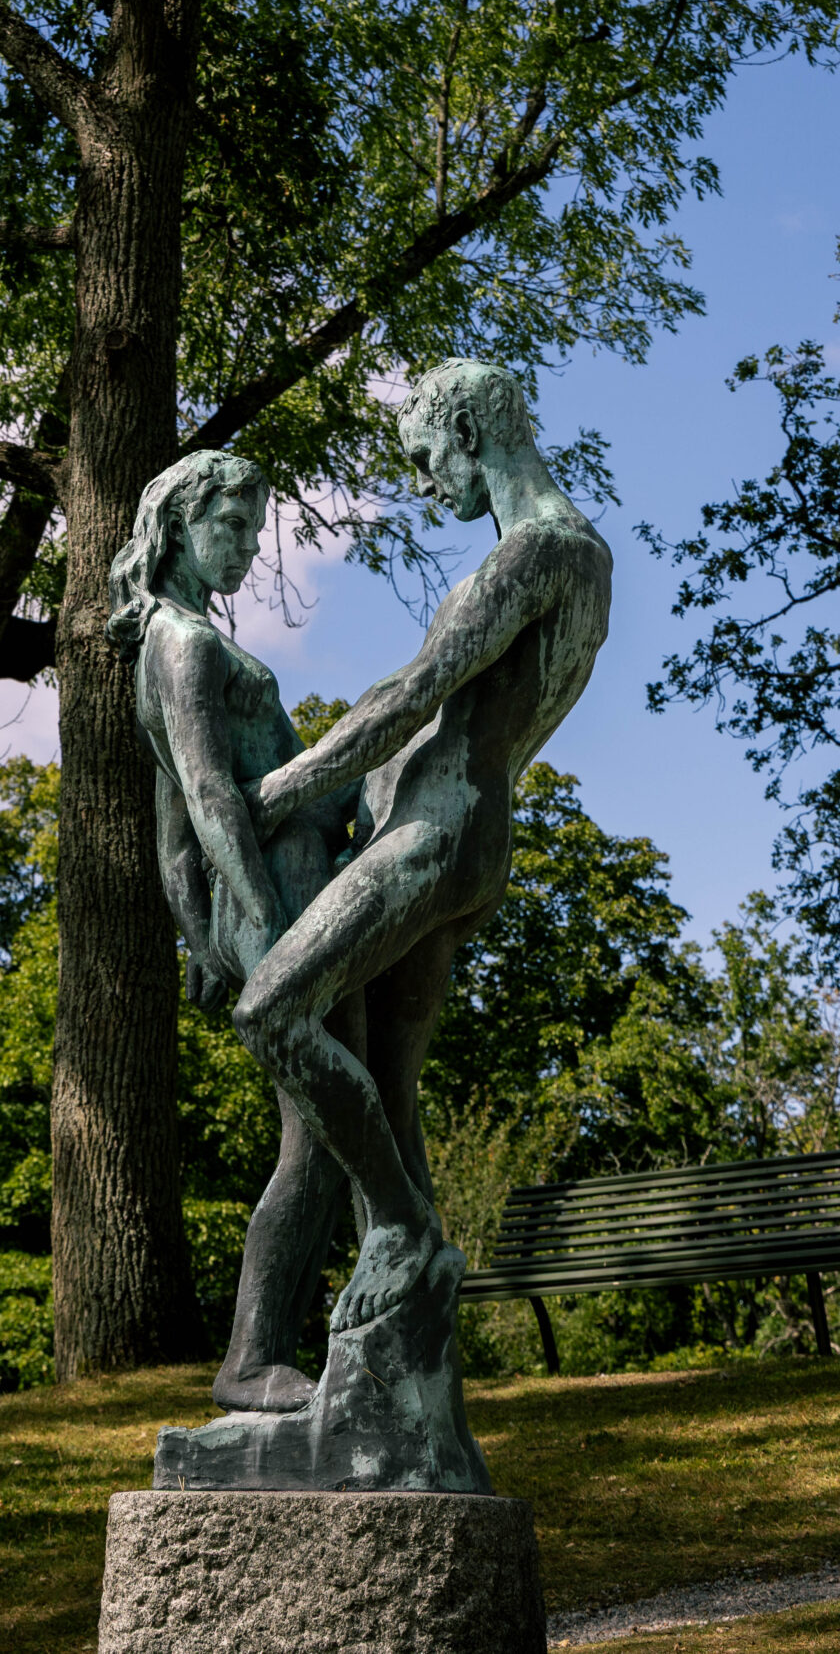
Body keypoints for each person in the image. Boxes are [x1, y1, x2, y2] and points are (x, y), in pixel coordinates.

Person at [235, 359, 614, 1332]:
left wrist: (278, 789)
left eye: (423, 457)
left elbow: (410, 695)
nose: (423, 481)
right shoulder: (577, 557)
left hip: (433, 836)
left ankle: (398, 1227)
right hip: (463, 837)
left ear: (468, 434)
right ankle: (409, 1311)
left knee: (273, 1008)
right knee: (390, 1089)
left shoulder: (539, 552)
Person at [107, 448, 357, 1413]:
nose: (251, 547)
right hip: (281, 890)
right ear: (179, 524)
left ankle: (300, 1343)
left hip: (293, 880)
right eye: (234, 525)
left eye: (257, 528)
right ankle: (250, 1359)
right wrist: (258, 921)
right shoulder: (182, 645)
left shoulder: (180, 639)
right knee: (318, 1129)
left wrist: (198, 934)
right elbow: (210, 796)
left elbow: (171, 833)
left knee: (339, 1127)